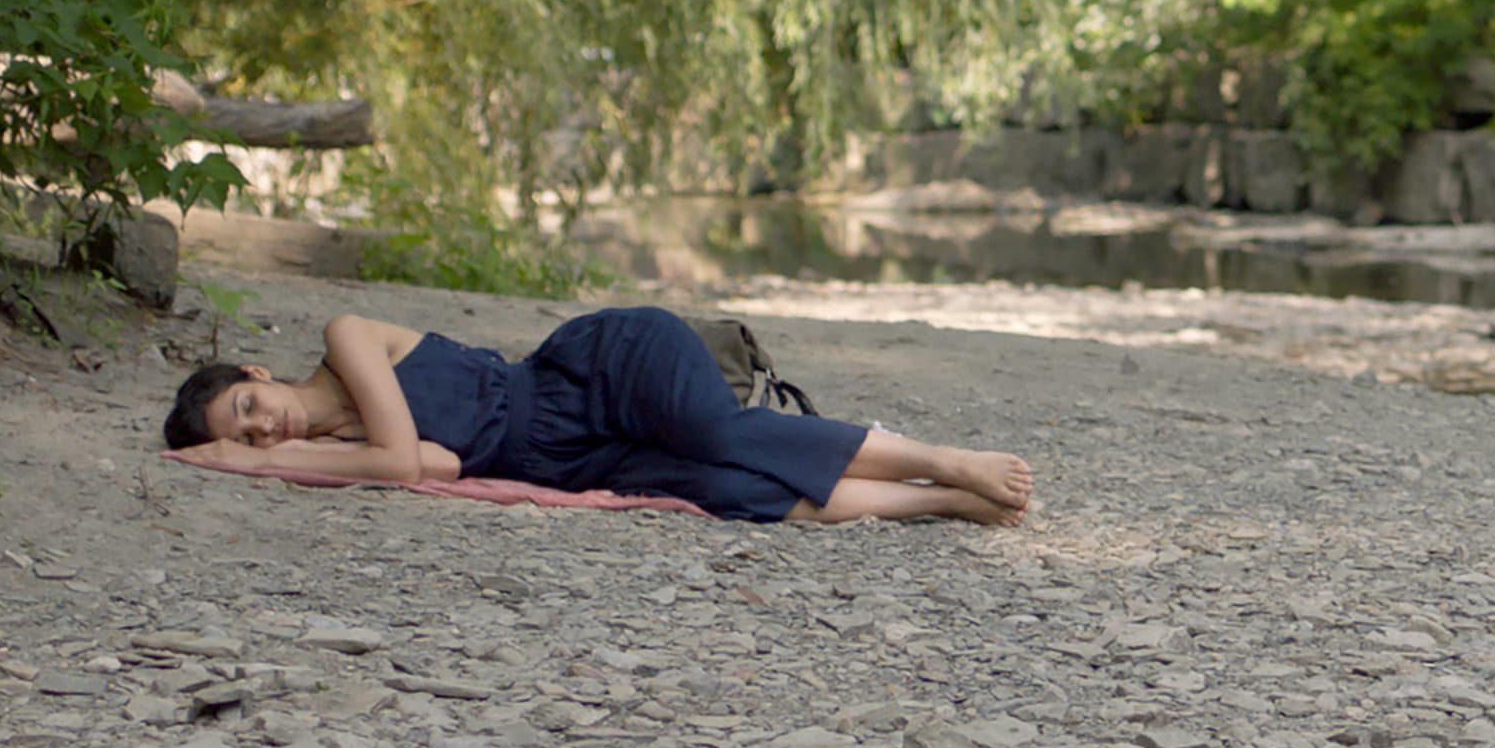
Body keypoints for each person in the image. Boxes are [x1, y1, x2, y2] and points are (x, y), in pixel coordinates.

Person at [163, 305, 1034, 527]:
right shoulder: (347, 447)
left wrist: (254, 465)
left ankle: (943, 459)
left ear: (256, 373)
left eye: (249, 407)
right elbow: (440, 467)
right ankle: (941, 503)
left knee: (716, 433)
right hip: (571, 463)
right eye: (248, 437)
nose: (265, 430)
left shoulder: (348, 337)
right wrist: (272, 462)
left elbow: (399, 461)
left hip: (599, 370)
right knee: (731, 490)